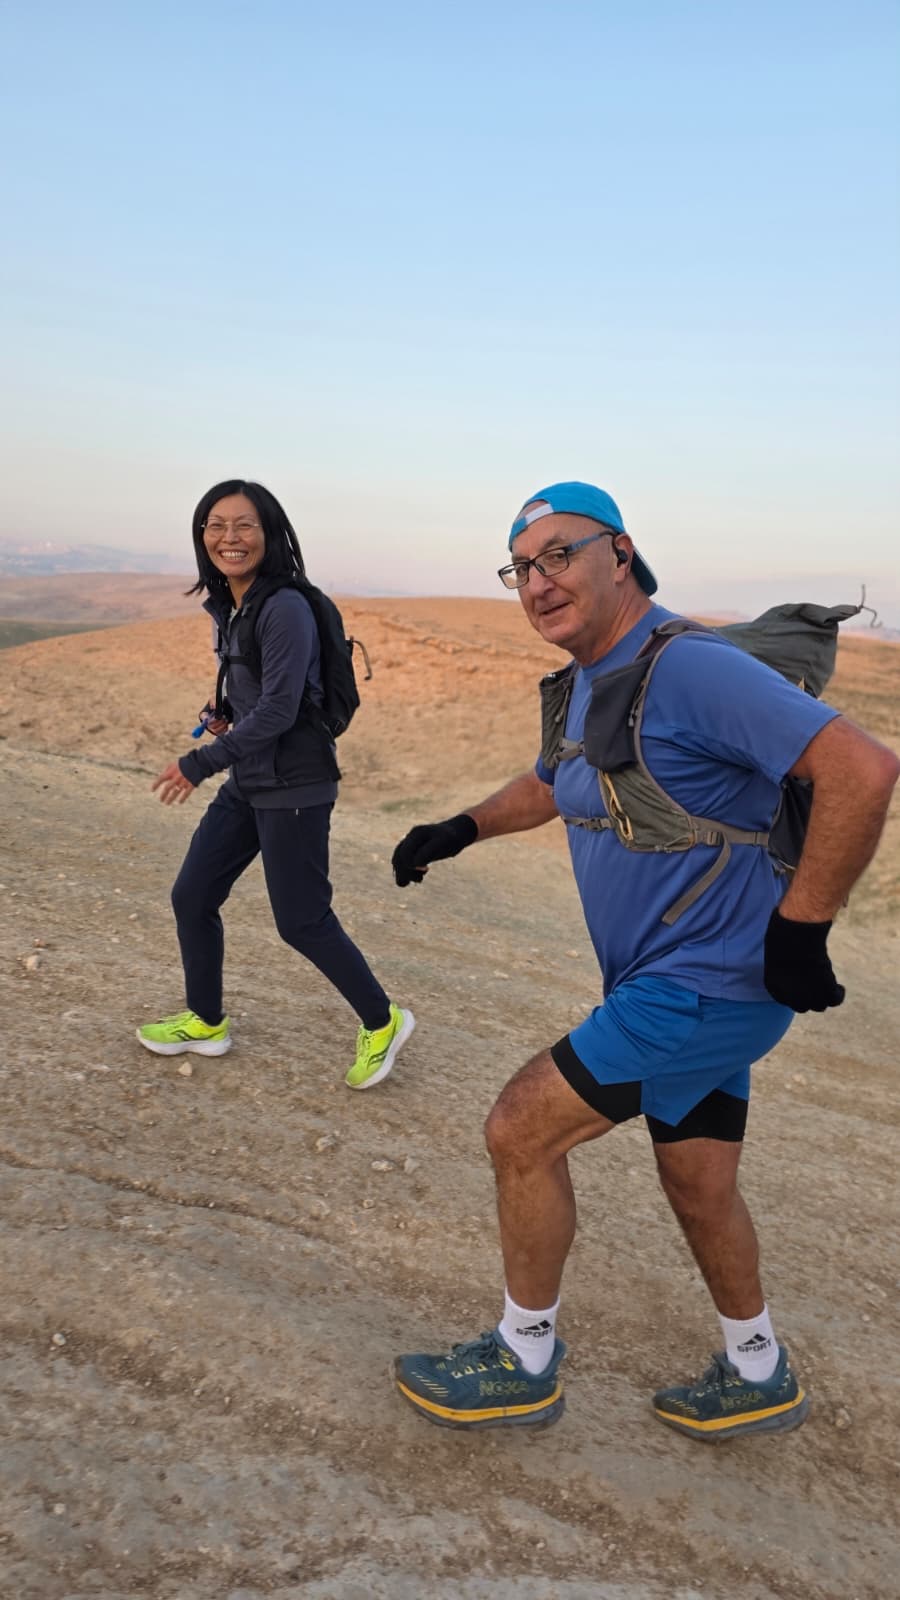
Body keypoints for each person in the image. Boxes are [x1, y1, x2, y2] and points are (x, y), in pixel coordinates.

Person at [390, 480, 898, 1440]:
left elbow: (861, 769)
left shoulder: (689, 667)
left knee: (520, 1130)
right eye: (521, 568)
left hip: (704, 987)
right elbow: (556, 782)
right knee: (700, 1185)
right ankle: (758, 1370)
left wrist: (802, 930)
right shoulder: (596, 675)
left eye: (560, 554)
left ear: (620, 554)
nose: (539, 581)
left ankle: (522, 1359)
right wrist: (460, 828)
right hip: (688, 990)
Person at [139, 478, 414, 1089]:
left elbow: (282, 710)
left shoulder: (284, 606)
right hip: (252, 778)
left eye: (244, 525)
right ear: (201, 535)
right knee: (193, 896)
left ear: (270, 533)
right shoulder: (235, 605)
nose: (229, 537)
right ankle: (206, 1020)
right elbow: (261, 700)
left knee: (302, 921)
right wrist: (226, 719)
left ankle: (384, 1020)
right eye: (216, 525)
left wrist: (200, 762)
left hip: (295, 786)